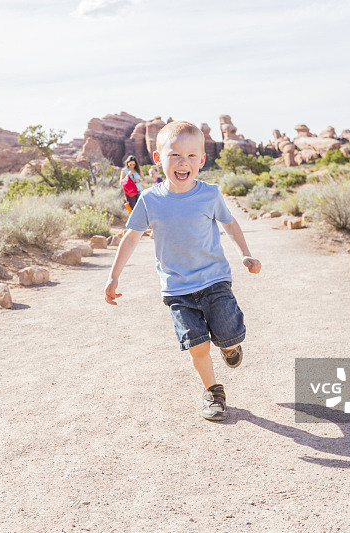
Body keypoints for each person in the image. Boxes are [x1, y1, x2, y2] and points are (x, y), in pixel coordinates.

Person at [104, 121, 262, 422]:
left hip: (215, 279)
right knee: (198, 346)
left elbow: (229, 223)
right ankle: (213, 393)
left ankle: (230, 346)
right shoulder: (150, 200)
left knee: (228, 335)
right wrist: (114, 275)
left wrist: (246, 254)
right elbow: (132, 236)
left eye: (191, 156)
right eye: (175, 155)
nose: (183, 162)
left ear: (202, 160)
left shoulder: (210, 194)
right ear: (157, 159)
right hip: (177, 289)